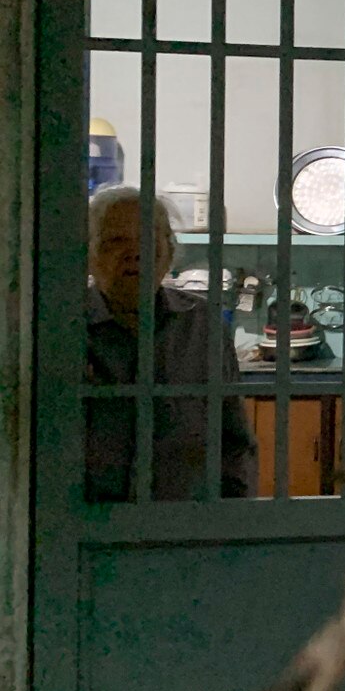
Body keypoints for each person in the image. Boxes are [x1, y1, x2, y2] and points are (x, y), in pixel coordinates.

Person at [86, 186, 258, 501]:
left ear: (169, 251)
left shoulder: (202, 323)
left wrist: (234, 520)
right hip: (86, 527)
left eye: (149, 240)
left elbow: (233, 438)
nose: (135, 253)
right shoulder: (61, 327)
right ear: (88, 253)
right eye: (115, 241)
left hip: (187, 523)